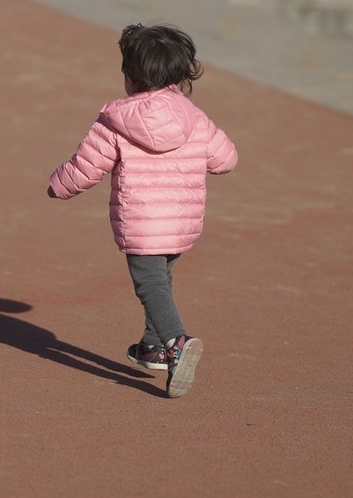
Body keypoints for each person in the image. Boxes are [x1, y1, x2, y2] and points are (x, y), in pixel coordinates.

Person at [46, 24, 237, 398]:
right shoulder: (193, 117)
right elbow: (226, 159)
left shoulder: (116, 121)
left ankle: (176, 342)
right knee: (160, 282)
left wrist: (57, 185)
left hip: (142, 224)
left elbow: (85, 167)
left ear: (129, 75)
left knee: (150, 285)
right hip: (182, 223)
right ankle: (153, 347)